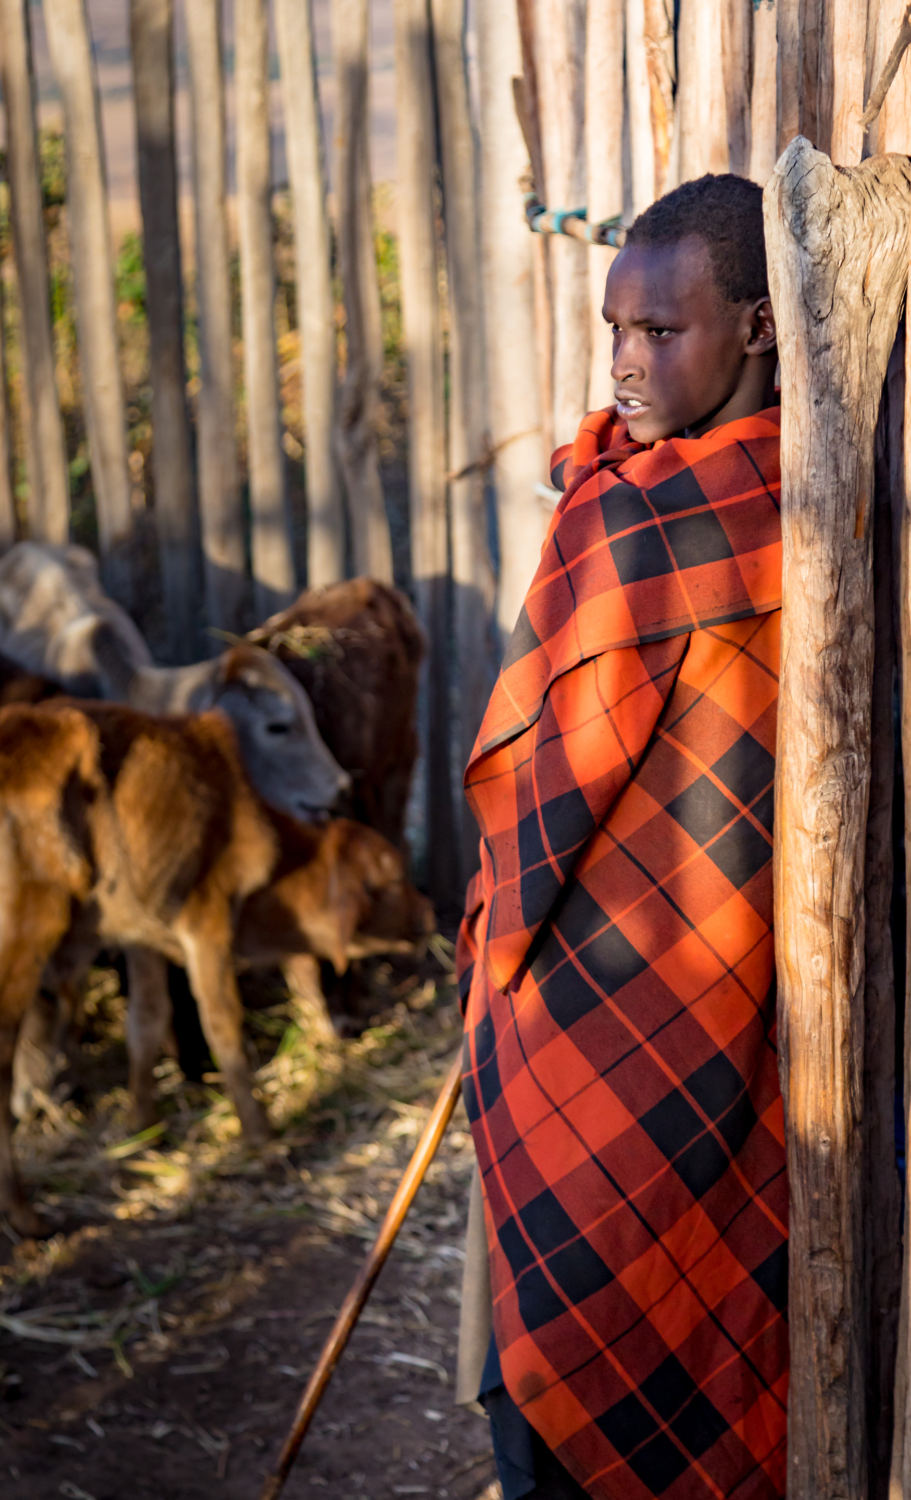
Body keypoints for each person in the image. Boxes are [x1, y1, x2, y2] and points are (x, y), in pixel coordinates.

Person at [456, 173, 786, 1500]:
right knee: (568, 1308)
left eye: (663, 334)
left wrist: (499, 922)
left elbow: (540, 779)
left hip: (681, 987)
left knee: (627, 1295)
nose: (628, 363)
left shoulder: (716, 519)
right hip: (617, 988)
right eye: (616, 331)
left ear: (758, 329)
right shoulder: (645, 492)